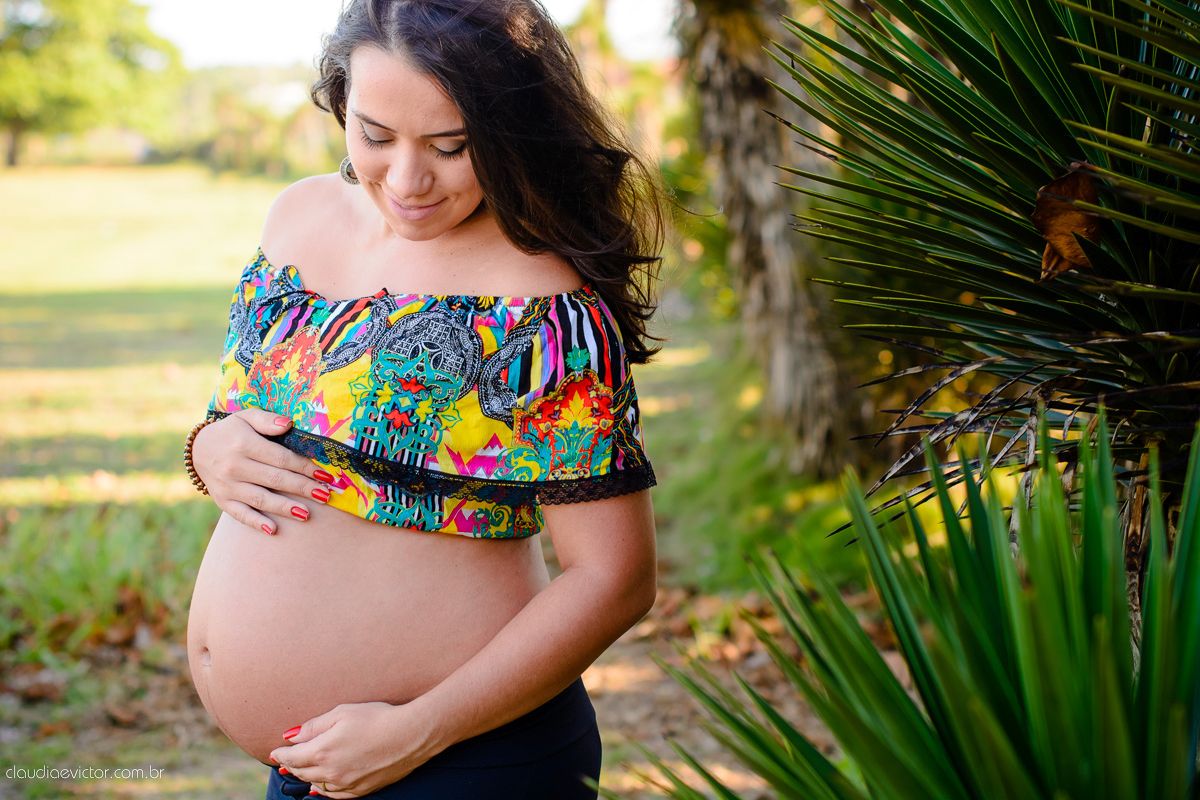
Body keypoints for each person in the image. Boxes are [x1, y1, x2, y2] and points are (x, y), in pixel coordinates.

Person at [182, 0, 663, 797]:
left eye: (452, 147)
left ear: (510, 134)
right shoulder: (296, 219)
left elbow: (615, 579)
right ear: (342, 102)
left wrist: (417, 730)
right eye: (375, 136)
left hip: (459, 756)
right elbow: (251, 420)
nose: (407, 180)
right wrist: (207, 448)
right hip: (311, 764)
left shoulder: (541, 299)